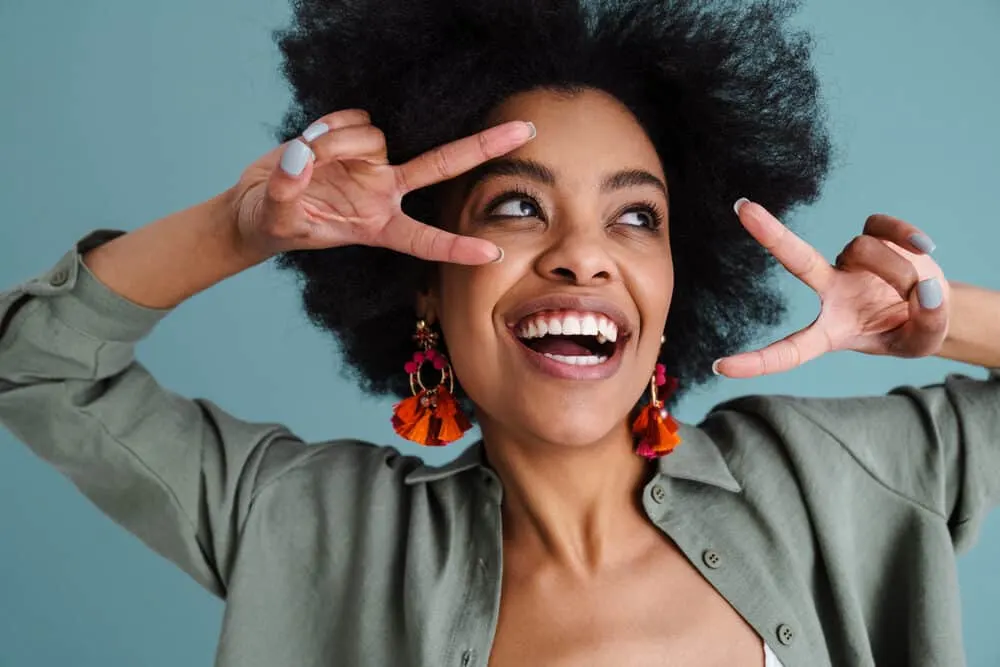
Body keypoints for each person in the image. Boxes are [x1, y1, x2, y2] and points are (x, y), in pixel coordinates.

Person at [1, 0, 998, 665]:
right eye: (518, 207)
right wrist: (236, 226)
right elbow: (33, 367)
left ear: (672, 291)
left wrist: (930, 322)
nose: (582, 254)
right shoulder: (313, 527)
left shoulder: (831, 479)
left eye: (635, 216)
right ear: (424, 287)